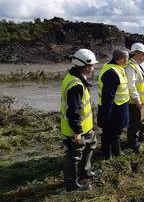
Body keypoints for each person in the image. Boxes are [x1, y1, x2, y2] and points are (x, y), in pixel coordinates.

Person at [60, 48, 98, 192]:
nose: (93, 68)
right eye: (91, 66)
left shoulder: (76, 77)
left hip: (85, 127)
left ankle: (85, 172)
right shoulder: (75, 84)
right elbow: (74, 110)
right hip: (76, 129)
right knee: (74, 156)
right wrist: (77, 132)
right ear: (84, 65)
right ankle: (71, 186)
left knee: (90, 146)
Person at [97, 47, 130, 159]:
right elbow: (108, 96)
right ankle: (107, 156)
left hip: (119, 107)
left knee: (116, 132)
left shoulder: (117, 67)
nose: (128, 60)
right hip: (113, 108)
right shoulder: (111, 72)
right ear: (122, 59)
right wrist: (106, 114)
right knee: (108, 133)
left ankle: (117, 152)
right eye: (127, 58)